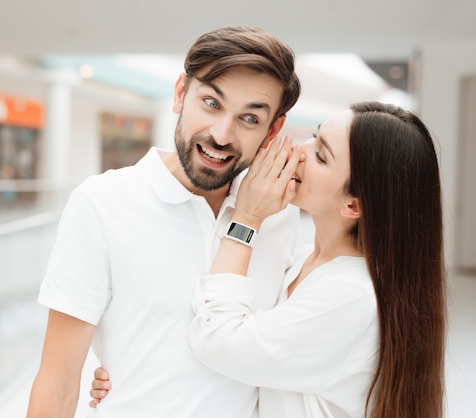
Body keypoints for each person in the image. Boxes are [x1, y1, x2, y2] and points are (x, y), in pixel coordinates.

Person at [89, 102, 447, 417]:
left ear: (353, 204)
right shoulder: (306, 260)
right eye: (313, 136)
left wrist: (245, 220)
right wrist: (134, 372)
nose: (299, 151)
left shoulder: (351, 296)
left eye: (322, 155)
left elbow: (219, 340)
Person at [26, 26, 302, 417]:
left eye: (249, 119)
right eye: (210, 103)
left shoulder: (279, 217)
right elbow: (58, 382)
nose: (222, 134)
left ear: (273, 129)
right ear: (179, 93)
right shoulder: (103, 203)